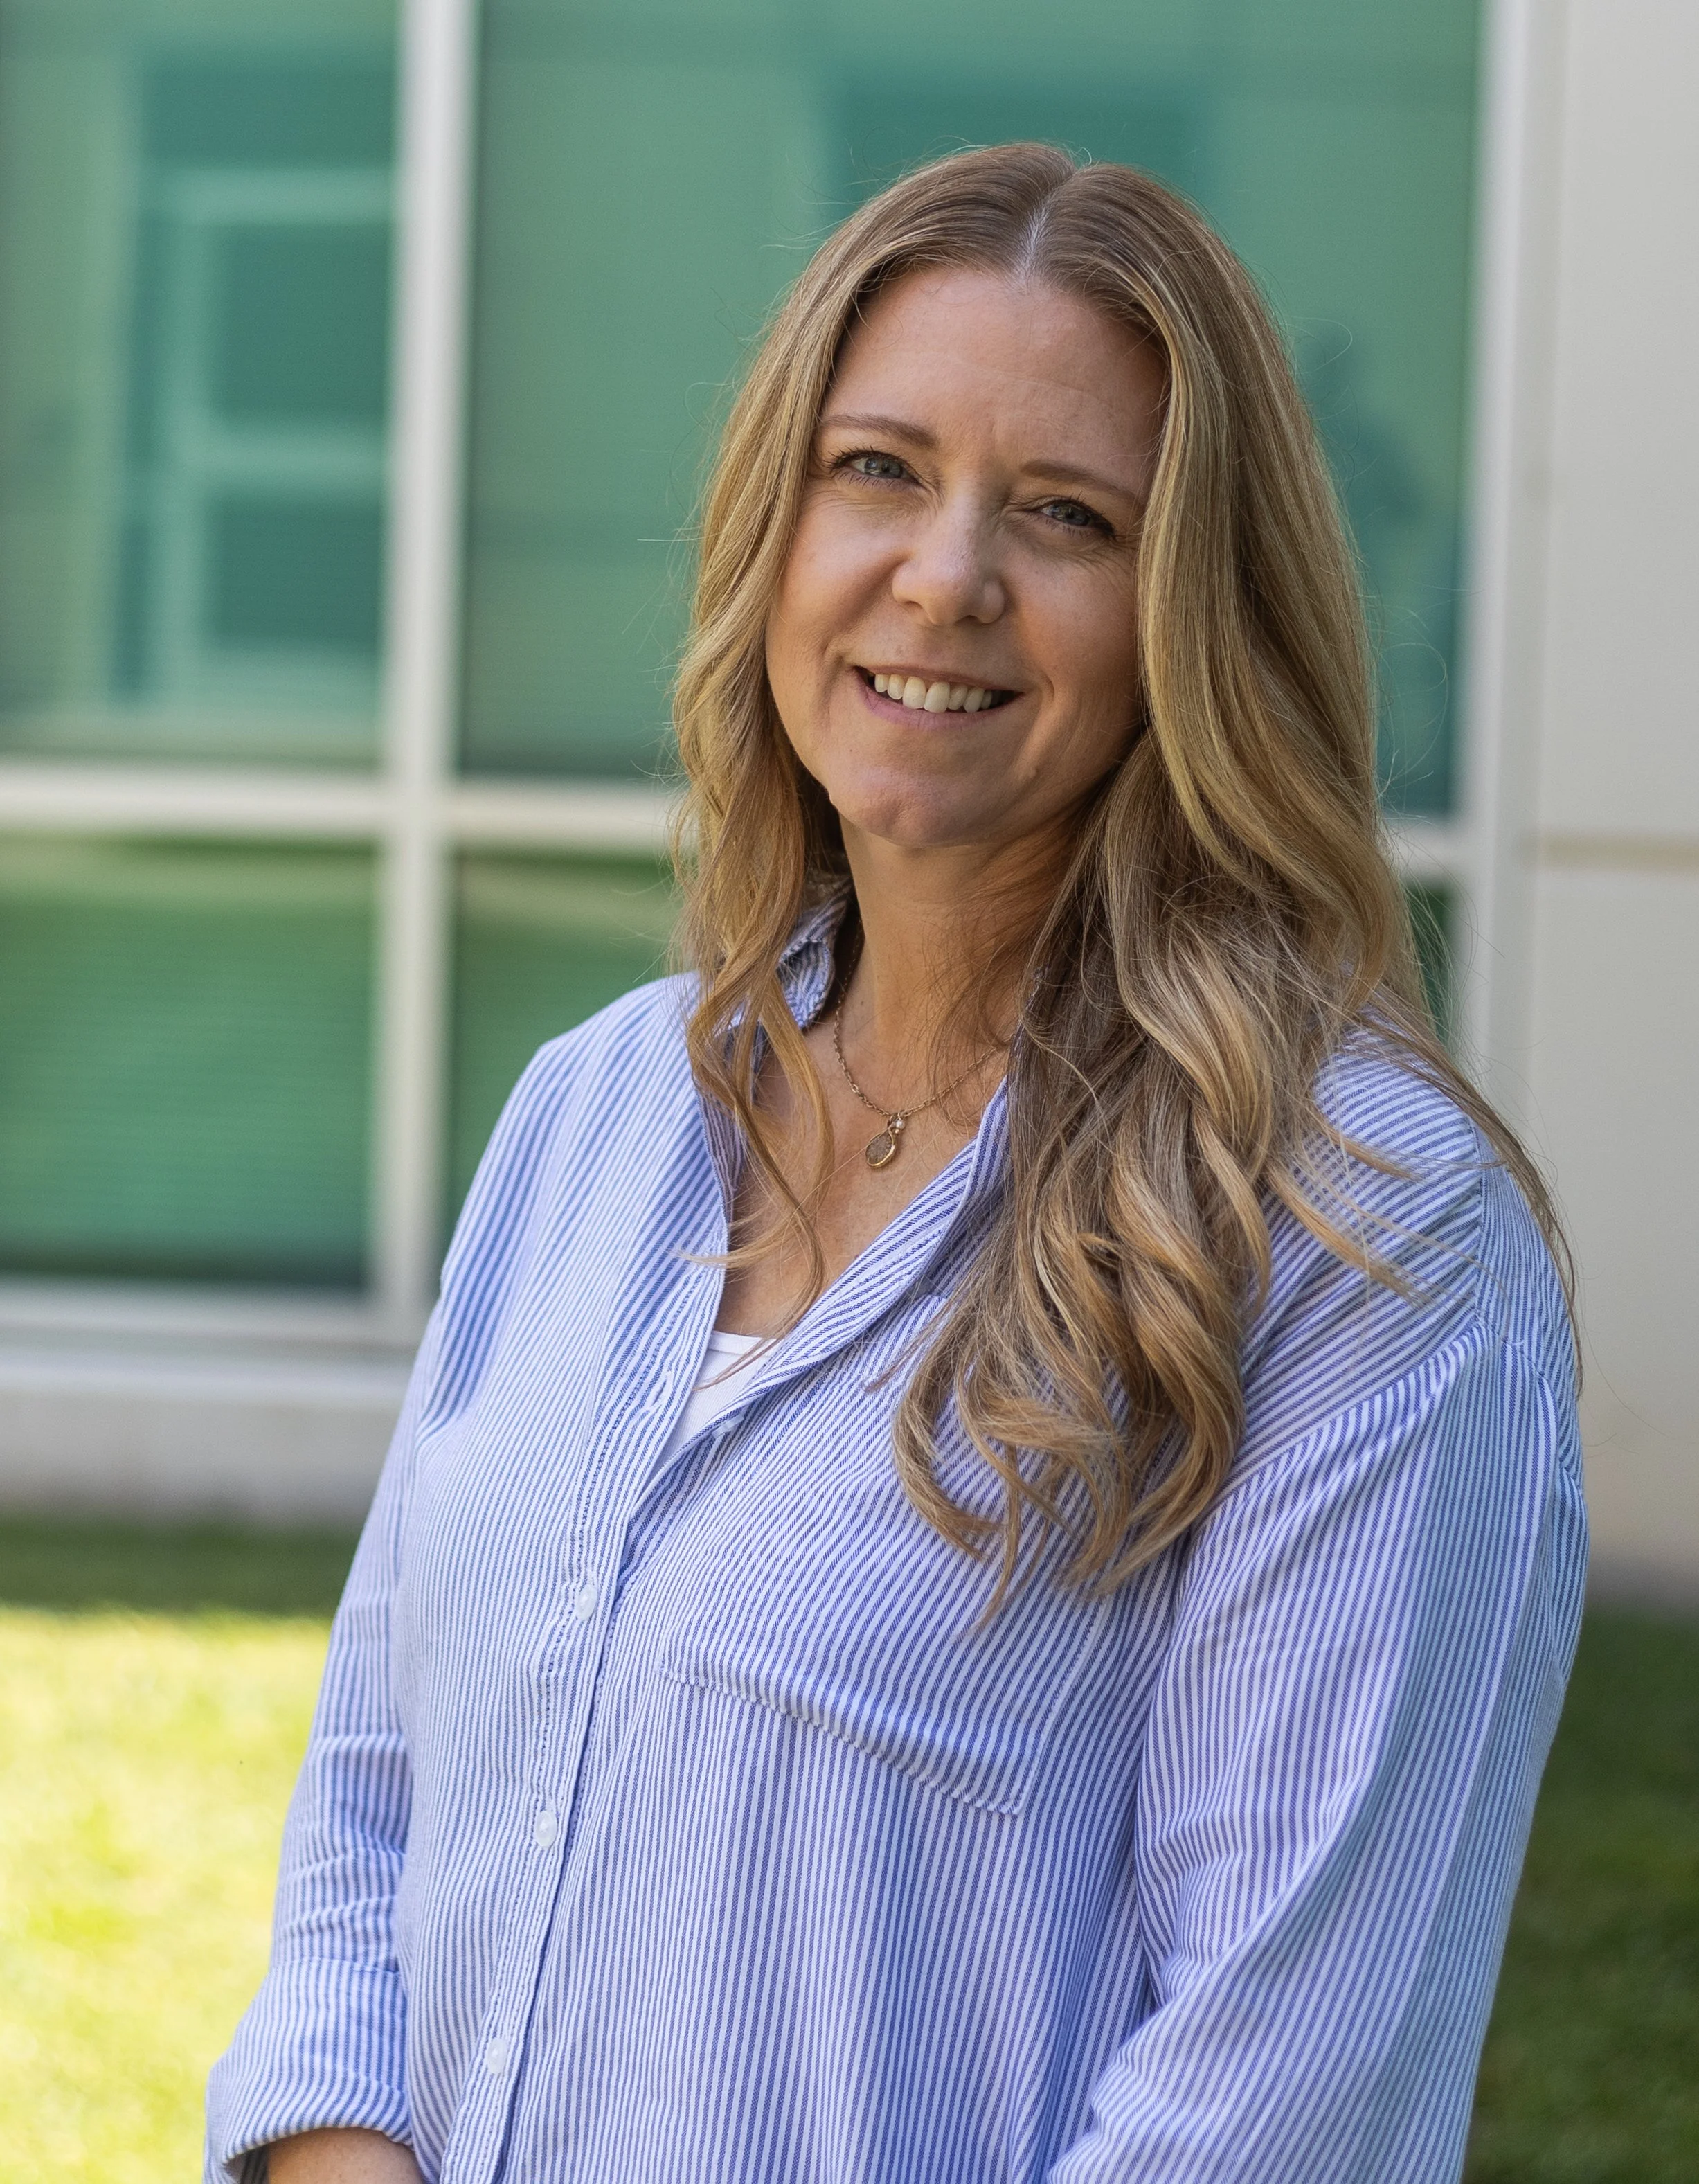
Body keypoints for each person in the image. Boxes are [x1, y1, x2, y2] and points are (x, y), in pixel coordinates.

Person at [208, 144, 1585, 2184]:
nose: (945, 577)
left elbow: (1279, 2100)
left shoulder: (1361, 1233)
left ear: (1189, 617)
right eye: (876, 470)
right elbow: (370, 1819)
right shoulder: (595, 1115)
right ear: (776, 525)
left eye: (1066, 517)